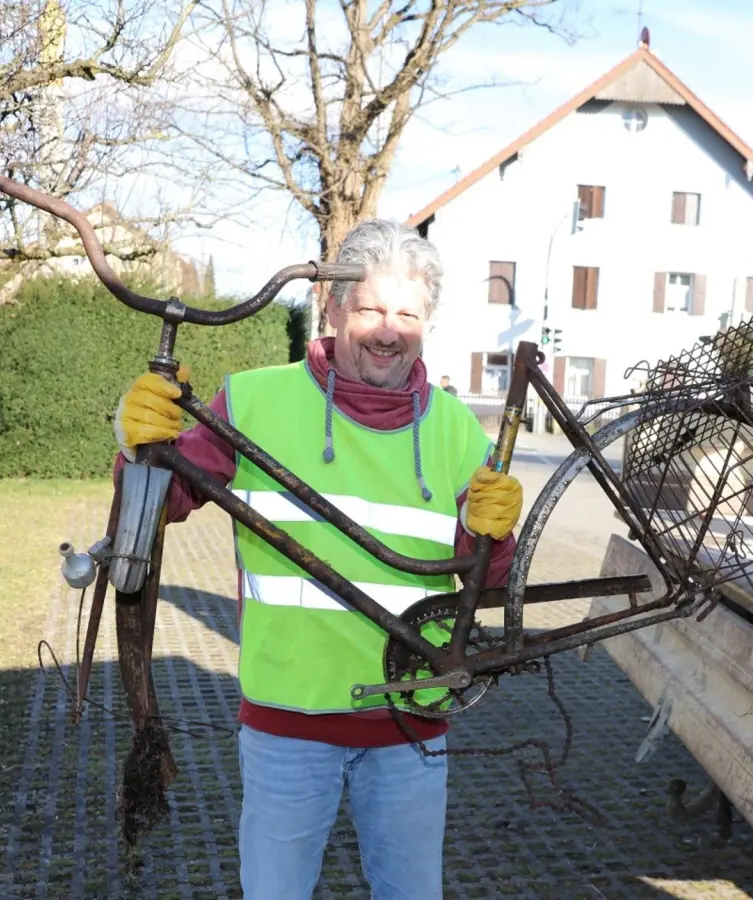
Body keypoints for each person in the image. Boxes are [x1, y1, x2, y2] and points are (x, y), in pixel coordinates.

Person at [111, 219, 524, 899]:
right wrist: (140, 449)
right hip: (287, 729)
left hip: (410, 723)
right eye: (368, 309)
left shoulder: (455, 428)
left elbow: (490, 582)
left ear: (427, 324)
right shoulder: (254, 399)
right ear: (331, 311)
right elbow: (160, 504)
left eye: (407, 314)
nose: (388, 331)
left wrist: (496, 535)